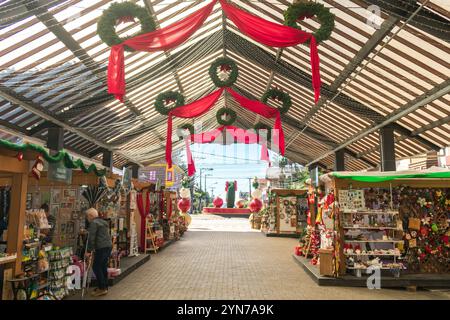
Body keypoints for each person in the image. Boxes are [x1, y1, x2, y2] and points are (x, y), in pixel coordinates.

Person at [84, 208, 112, 297]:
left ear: (91, 216)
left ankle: (102, 288)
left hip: (101, 247)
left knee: (96, 267)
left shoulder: (93, 223)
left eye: (87, 216)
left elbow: (91, 238)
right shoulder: (103, 221)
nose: (87, 218)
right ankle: (104, 286)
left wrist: (88, 250)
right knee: (103, 266)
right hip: (108, 246)